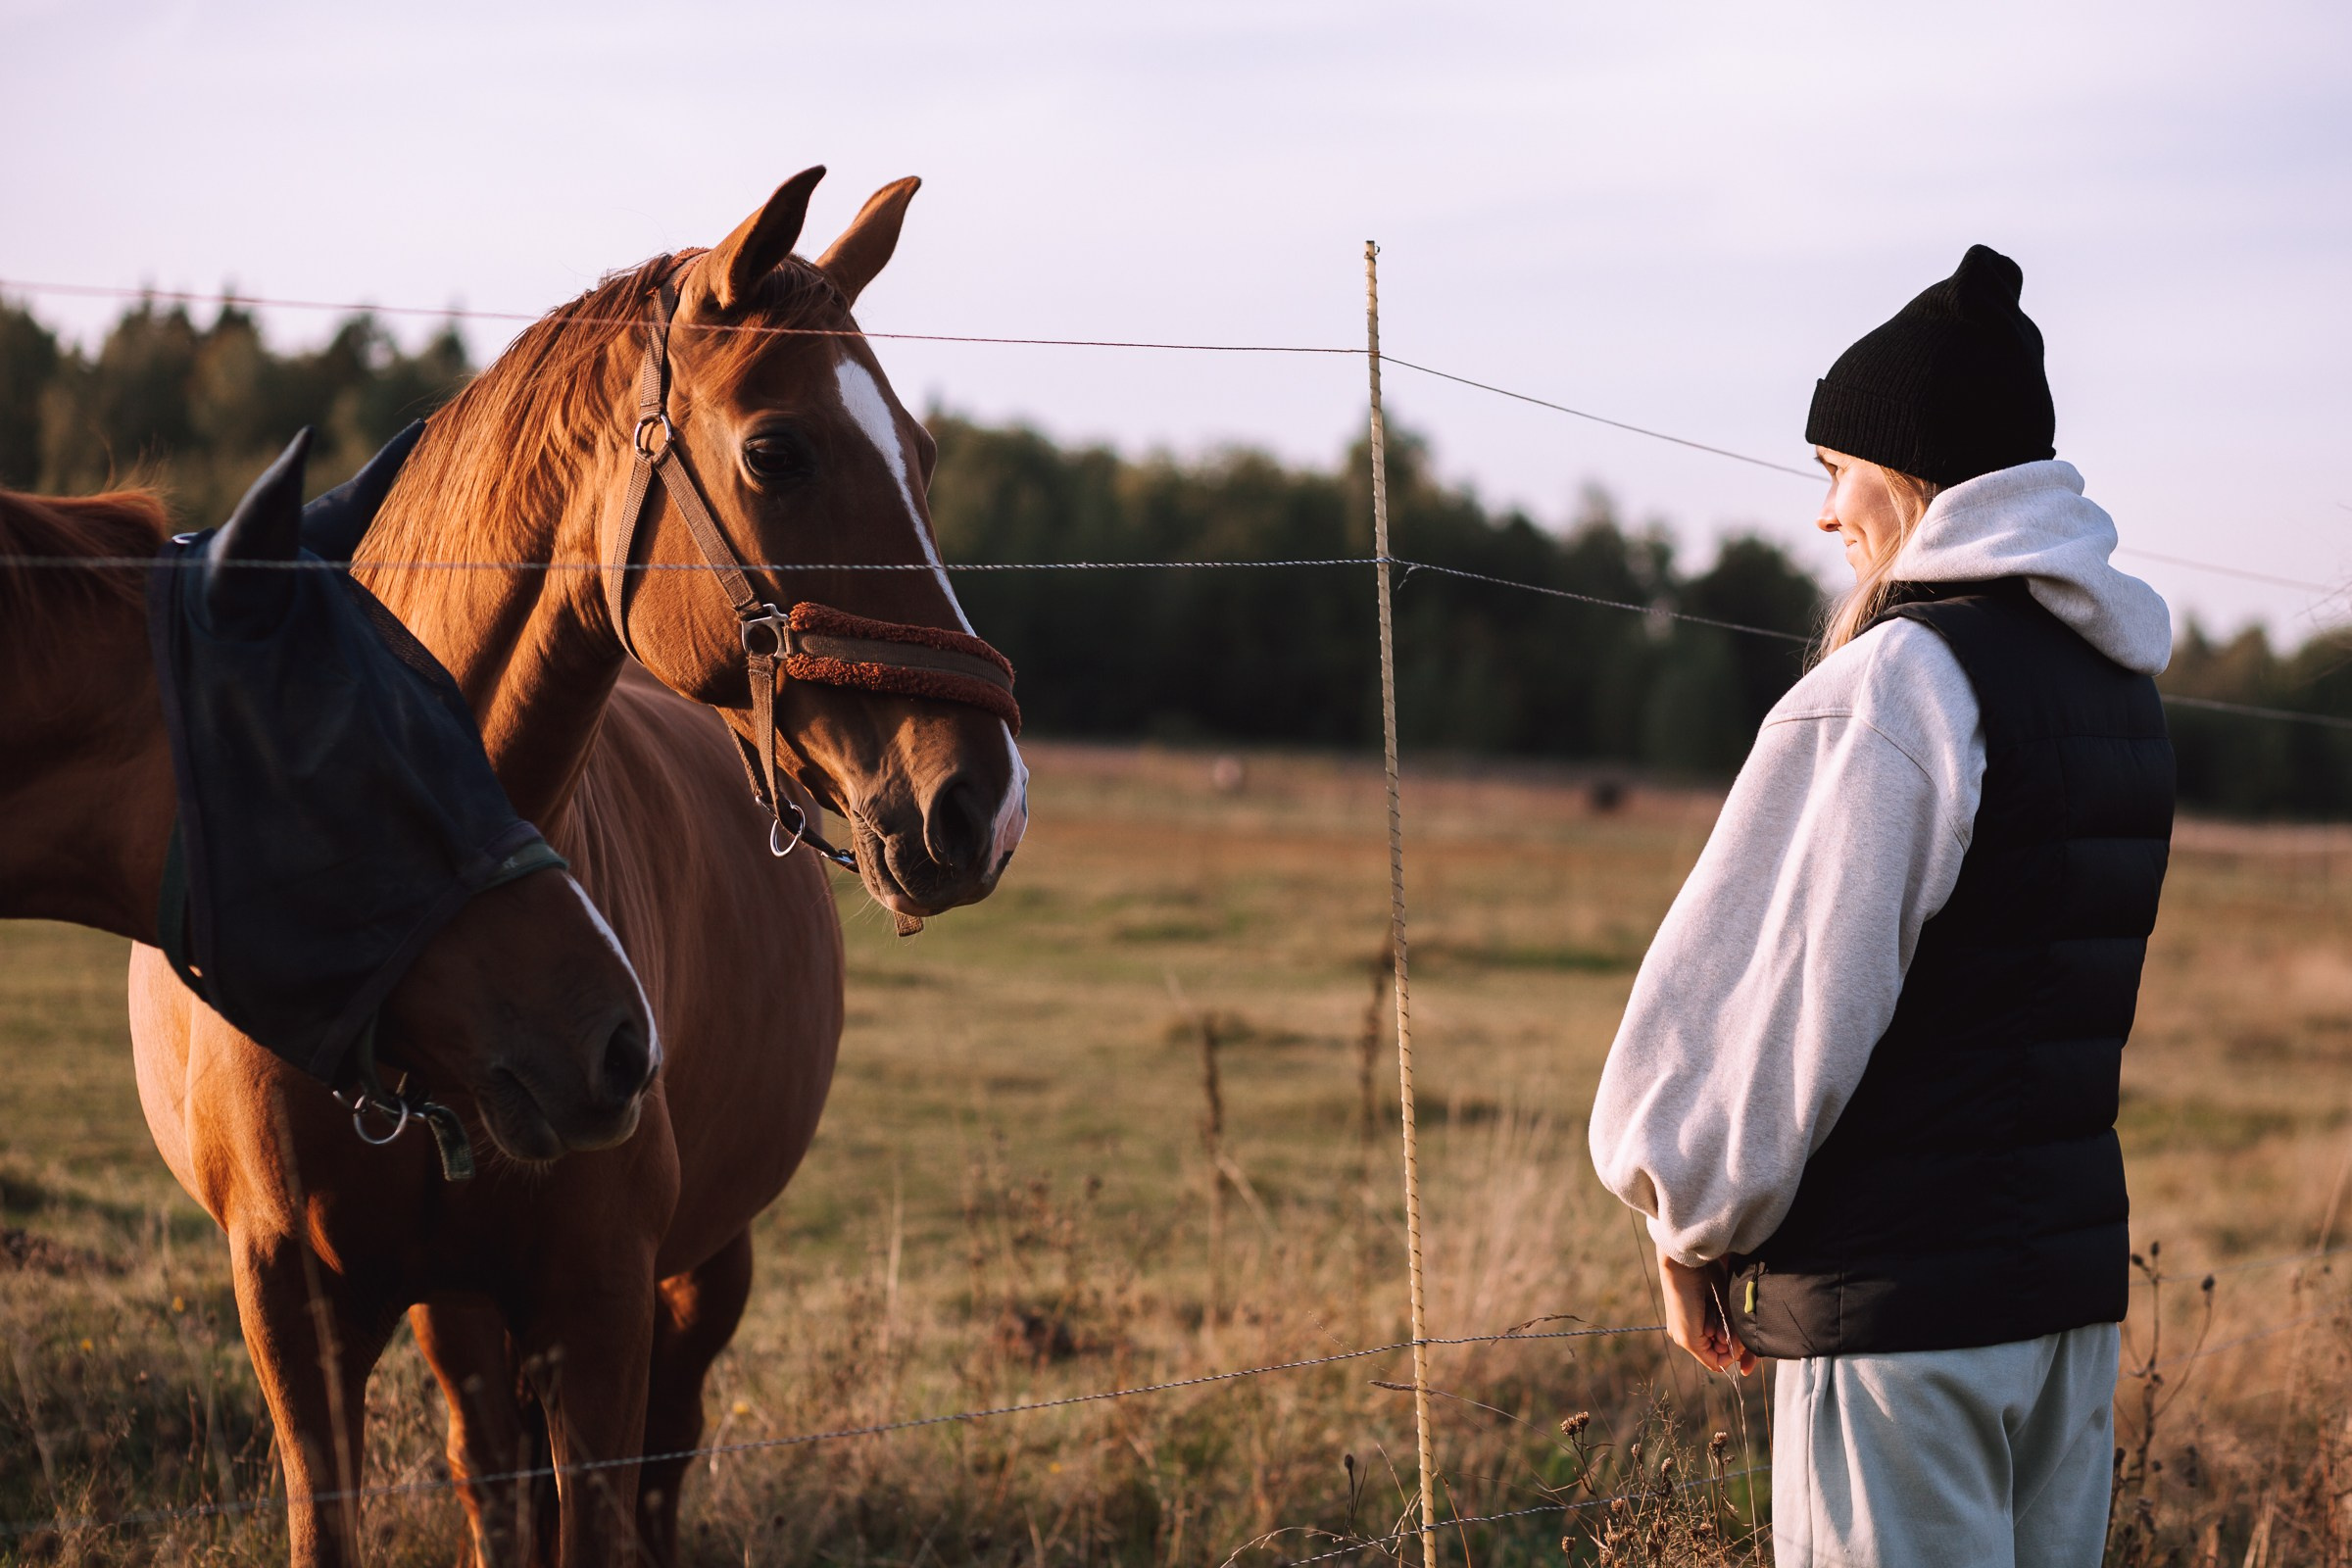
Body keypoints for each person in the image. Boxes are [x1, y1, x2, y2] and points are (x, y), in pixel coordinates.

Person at [1589, 244, 2176, 1567]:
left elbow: (1792, 987)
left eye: (1833, 471)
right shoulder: (2113, 693)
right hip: (2066, 1311)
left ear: (1913, 476)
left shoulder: (1897, 685)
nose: (1824, 513)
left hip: (1907, 1318)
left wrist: (1686, 1215)